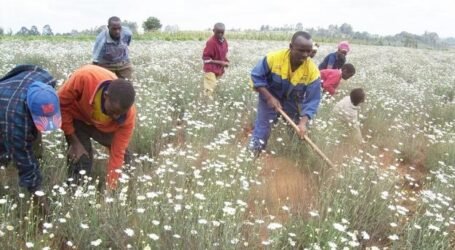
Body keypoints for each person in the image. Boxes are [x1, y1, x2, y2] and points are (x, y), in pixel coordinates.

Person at [58, 65, 136, 189]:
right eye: (114, 111)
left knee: (124, 160)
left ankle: (119, 191)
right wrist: (74, 141)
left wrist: (111, 188)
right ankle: (75, 193)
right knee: (81, 159)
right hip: (78, 119)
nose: (116, 116)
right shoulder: (84, 78)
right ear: (106, 96)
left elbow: (117, 153)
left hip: (104, 126)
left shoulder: (126, 117)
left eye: (120, 113)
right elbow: (61, 104)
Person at [248, 31, 321, 154]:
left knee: (298, 132)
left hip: (292, 101)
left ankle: (298, 159)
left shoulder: (312, 71)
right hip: (269, 96)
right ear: (291, 47)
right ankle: (252, 156)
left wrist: (303, 123)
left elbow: (313, 100)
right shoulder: (273, 58)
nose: (305, 55)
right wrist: (269, 97)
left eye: (308, 51)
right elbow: (256, 77)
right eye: (301, 50)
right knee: (263, 130)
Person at [0, 65, 61, 193]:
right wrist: (36, 190)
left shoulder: (47, 80)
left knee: (31, 142)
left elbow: (25, 68)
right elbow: (23, 158)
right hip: (6, 108)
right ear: (28, 109)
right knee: (6, 152)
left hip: (13, 98)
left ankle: (36, 158)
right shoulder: (14, 117)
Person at [202, 22, 229, 97]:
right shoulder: (211, 42)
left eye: (222, 32)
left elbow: (224, 52)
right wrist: (221, 62)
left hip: (219, 69)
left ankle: (211, 101)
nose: (220, 34)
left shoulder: (224, 41)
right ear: (213, 31)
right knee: (209, 89)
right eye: (218, 32)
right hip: (210, 69)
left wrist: (226, 60)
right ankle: (206, 103)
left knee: (214, 87)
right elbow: (205, 59)